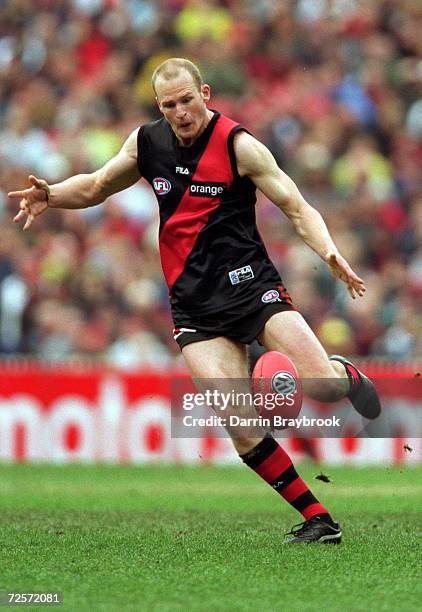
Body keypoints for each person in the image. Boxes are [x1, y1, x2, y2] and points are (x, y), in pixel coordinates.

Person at [9, 58, 381, 544]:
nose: (180, 112)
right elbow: (98, 185)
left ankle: (344, 374)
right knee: (239, 425)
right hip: (194, 306)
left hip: (252, 290)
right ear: (159, 107)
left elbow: (295, 205)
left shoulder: (238, 145)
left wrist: (328, 250)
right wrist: (51, 194)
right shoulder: (148, 144)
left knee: (325, 390)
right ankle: (318, 519)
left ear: (204, 93)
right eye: (169, 105)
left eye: (187, 100)